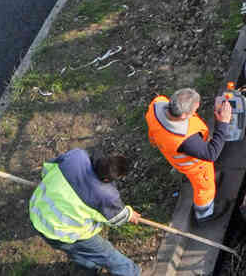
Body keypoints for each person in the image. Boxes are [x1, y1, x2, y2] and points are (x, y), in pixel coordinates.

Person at [29, 147, 141, 276]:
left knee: (76, 251)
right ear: (106, 180)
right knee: (106, 253)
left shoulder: (76, 156)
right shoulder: (105, 195)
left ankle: (89, 268)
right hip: (62, 231)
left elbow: (47, 168)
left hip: (38, 214)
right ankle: (130, 273)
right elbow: (116, 218)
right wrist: (129, 214)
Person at [145, 88, 232, 224]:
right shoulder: (184, 138)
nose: (195, 112)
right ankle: (204, 213)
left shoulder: (158, 103)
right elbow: (211, 153)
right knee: (204, 188)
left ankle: (210, 180)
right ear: (183, 116)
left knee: (206, 176)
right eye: (194, 111)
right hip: (195, 167)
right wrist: (223, 123)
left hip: (171, 153)